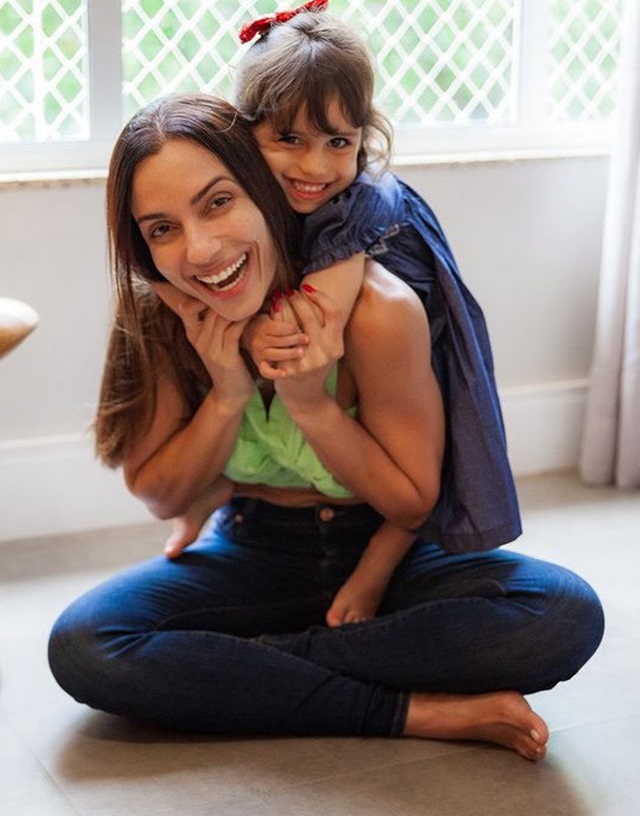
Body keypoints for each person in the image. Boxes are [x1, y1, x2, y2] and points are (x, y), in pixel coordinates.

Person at [48, 93, 604, 761]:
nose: (199, 249)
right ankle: (402, 709)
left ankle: (247, 664)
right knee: (85, 643)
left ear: (264, 189)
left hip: (390, 552)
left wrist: (310, 404)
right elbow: (163, 494)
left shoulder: (376, 308)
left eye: (218, 202)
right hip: (255, 546)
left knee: (563, 614)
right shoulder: (164, 314)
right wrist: (226, 394)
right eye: (161, 228)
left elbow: (411, 502)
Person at [234, 0, 519, 624]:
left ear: (364, 137)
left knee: (429, 459)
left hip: (422, 337)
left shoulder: (357, 208)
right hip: (298, 487)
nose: (315, 165)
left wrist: (254, 329)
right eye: (289, 139)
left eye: (338, 140)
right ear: (245, 133)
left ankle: (377, 567)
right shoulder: (258, 203)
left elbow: (313, 327)